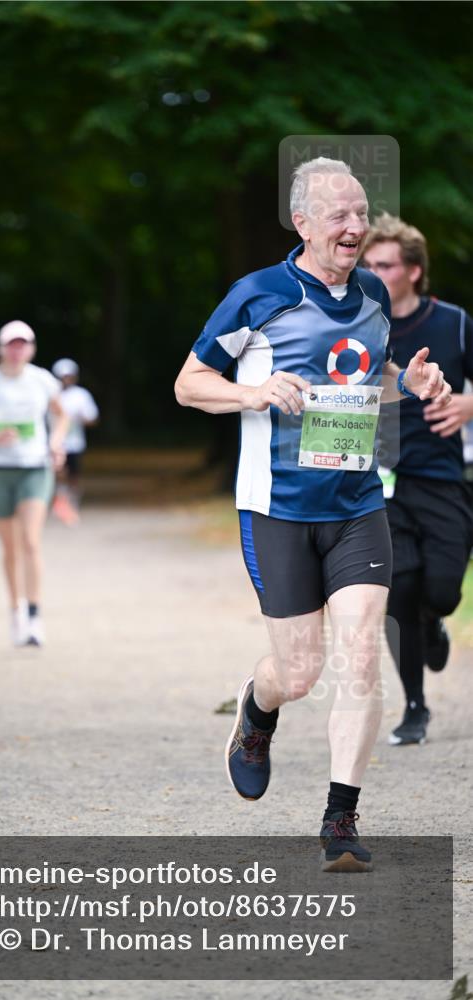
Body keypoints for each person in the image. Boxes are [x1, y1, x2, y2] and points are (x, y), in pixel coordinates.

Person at [175, 157, 451, 872]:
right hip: (276, 507)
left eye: (360, 213)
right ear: (301, 223)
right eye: (338, 215)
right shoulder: (258, 294)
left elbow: (367, 379)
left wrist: (410, 383)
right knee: (297, 672)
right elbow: (188, 384)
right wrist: (254, 392)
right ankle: (257, 710)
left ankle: (340, 819)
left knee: (360, 653)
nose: (354, 226)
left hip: (357, 502)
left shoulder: (369, 293)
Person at [362, 214, 473, 746]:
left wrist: (469, 403)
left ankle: (434, 620)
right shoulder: (357, 323)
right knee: (396, 589)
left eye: (382, 264)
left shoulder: (452, 322)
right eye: (367, 263)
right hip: (377, 481)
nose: (371, 271)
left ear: (412, 270)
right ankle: (414, 707)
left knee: (444, 590)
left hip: (443, 477)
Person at [0, 321, 68, 647]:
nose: (17, 350)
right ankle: (15, 610)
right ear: (1, 348)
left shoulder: (42, 380)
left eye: (23, 344)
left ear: (31, 348)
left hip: (34, 468)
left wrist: (56, 443)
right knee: (10, 548)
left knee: (31, 541)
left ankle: (35, 615)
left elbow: (61, 416)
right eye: (11, 344)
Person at [50, 358, 99, 524]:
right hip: (54, 442)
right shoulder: (50, 393)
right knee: (58, 473)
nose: (66, 380)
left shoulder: (81, 395)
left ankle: (71, 503)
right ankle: (60, 503)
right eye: (63, 376)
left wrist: (80, 418)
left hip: (75, 442)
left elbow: (93, 418)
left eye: (69, 376)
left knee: (73, 476)